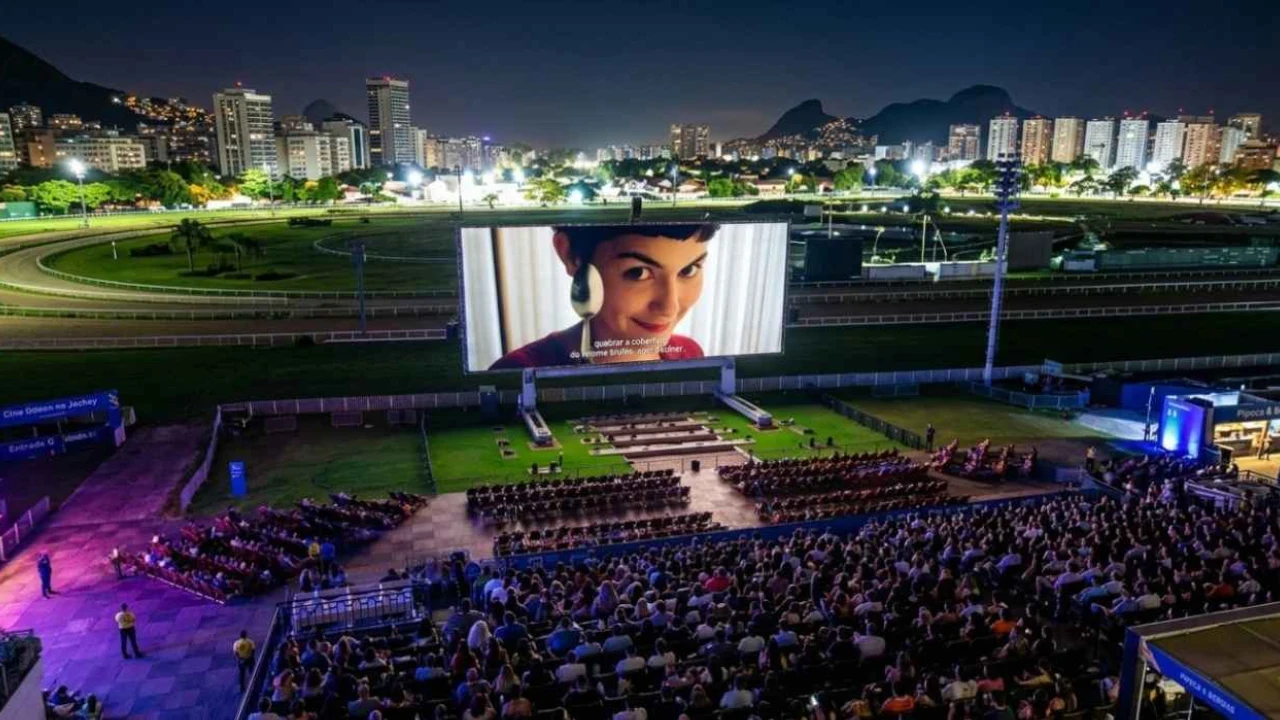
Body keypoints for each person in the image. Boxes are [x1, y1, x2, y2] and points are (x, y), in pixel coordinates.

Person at [488, 223, 718, 370]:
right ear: (570, 255)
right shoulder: (519, 370)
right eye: (637, 273)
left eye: (688, 270)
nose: (669, 307)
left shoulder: (689, 354)